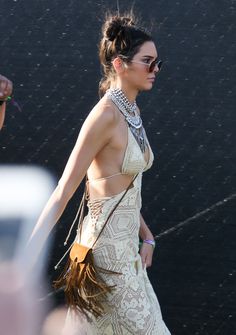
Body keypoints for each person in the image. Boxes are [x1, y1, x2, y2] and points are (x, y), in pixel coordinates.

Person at [29, 11, 171, 335]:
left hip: (128, 257)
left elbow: (124, 190)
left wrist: (146, 235)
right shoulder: (105, 116)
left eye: (158, 62)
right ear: (120, 64)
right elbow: (65, 188)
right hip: (106, 259)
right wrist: (24, 253)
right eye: (148, 61)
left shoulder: (131, 111)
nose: (155, 69)